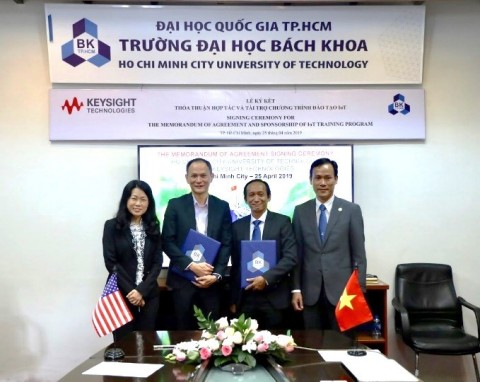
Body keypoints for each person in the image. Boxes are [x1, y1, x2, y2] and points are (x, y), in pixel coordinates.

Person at [291, 158, 367, 330]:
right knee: (312, 345)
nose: (323, 183)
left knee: (342, 346)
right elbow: (297, 255)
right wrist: (296, 289)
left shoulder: (351, 210)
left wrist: (358, 291)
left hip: (344, 295)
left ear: (336, 179)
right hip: (310, 294)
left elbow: (359, 255)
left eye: (328, 177)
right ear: (311, 181)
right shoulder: (300, 211)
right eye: (317, 178)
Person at [162, 158, 232, 329]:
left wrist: (216, 275)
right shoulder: (175, 205)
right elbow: (167, 241)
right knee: (182, 336)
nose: (198, 180)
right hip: (182, 283)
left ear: (212, 177)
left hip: (211, 283)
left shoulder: (222, 206)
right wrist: (191, 265)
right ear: (187, 178)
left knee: (213, 336)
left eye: (203, 175)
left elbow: (227, 244)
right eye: (194, 176)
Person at [230, 179, 297, 329]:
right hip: (245, 298)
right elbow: (236, 264)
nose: (256, 199)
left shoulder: (283, 222)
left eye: (260, 194)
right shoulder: (236, 227)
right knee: (245, 346)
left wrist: (266, 278)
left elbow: (290, 257)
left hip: (275, 297)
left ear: (269, 197)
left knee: (275, 347)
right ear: (246, 199)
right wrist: (234, 299)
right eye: (251, 195)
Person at [102, 180, 163, 341]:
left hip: (149, 294)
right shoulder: (111, 226)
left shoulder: (153, 227)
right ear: (126, 200)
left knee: (148, 343)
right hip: (121, 293)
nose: (138, 203)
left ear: (149, 202)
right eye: (134, 198)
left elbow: (157, 263)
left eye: (143, 199)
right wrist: (132, 292)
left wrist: (141, 290)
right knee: (124, 344)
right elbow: (111, 263)